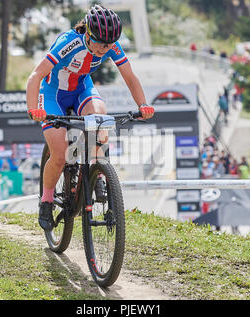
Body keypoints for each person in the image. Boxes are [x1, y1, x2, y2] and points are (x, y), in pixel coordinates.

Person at [25, 5, 155, 231]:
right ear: (89, 34)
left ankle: (98, 172)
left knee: (100, 117)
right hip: (53, 94)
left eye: (110, 44)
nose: (107, 49)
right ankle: (46, 201)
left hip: (82, 89)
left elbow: (129, 76)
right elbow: (36, 75)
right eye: (102, 44)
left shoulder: (110, 44)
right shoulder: (69, 42)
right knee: (59, 152)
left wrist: (142, 104)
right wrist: (32, 108)